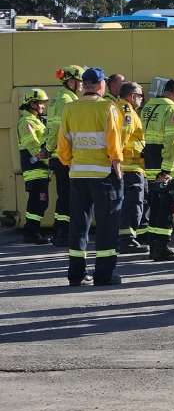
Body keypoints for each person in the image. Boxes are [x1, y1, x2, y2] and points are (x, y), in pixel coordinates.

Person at [58, 66, 124, 287]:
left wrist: (70, 163)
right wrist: (116, 162)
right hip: (104, 174)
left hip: (77, 173)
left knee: (78, 224)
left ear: (84, 85)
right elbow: (113, 139)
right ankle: (104, 275)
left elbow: (63, 144)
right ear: (101, 85)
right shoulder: (108, 107)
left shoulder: (69, 108)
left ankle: (76, 274)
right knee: (107, 225)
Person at [142, 79, 174, 261]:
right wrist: (167, 170)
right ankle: (162, 248)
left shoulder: (147, 108)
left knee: (155, 206)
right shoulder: (171, 110)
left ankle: (154, 245)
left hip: (151, 164)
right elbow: (173, 142)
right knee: (168, 208)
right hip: (168, 168)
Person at [45, 64, 85, 246]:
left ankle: (60, 232)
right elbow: (56, 128)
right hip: (63, 156)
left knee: (65, 195)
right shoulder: (67, 100)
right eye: (80, 82)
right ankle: (62, 234)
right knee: (67, 196)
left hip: (59, 154)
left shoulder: (60, 97)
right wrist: (49, 146)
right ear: (71, 82)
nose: (83, 85)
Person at [117, 81, 149, 254]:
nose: (141, 99)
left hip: (129, 166)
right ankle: (126, 241)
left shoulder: (118, 108)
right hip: (129, 166)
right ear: (132, 96)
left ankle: (129, 238)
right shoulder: (127, 111)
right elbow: (122, 137)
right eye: (140, 96)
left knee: (132, 204)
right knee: (132, 205)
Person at [16, 88, 51, 244]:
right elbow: (34, 147)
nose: (43, 106)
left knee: (41, 201)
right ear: (32, 103)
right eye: (41, 103)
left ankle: (32, 231)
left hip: (40, 170)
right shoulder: (26, 122)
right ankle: (31, 233)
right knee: (38, 201)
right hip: (34, 170)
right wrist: (50, 161)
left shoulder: (36, 120)